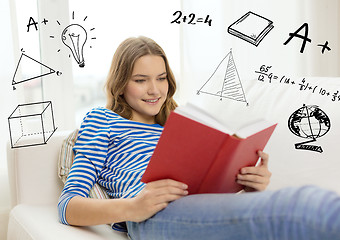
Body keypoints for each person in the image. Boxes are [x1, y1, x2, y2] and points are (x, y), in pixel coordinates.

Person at [58, 36, 340, 240]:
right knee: (304, 207)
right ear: (120, 85)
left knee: (298, 208)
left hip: (198, 208)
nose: (155, 90)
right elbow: (67, 206)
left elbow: (207, 189)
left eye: (161, 78)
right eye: (140, 80)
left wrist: (251, 185)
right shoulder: (101, 120)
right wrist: (133, 208)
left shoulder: (179, 125)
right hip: (151, 216)